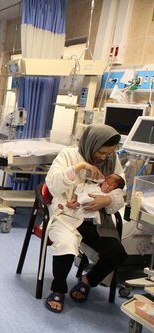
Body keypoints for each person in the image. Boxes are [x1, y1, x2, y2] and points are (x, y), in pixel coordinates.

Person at [44, 124, 128, 313]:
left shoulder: (112, 160)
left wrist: (107, 200)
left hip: (95, 221)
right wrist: (79, 167)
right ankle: (58, 289)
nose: (103, 158)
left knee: (117, 253)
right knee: (66, 244)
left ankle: (87, 281)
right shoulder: (68, 155)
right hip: (68, 216)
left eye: (108, 153)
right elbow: (53, 185)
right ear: (91, 144)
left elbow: (121, 191)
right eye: (101, 152)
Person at [59, 173, 125, 225]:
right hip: (86, 195)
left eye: (110, 177)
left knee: (85, 197)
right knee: (78, 198)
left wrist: (109, 199)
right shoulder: (102, 182)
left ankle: (73, 205)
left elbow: (119, 198)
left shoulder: (111, 189)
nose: (107, 177)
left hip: (93, 200)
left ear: (114, 185)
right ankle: (65, 208)